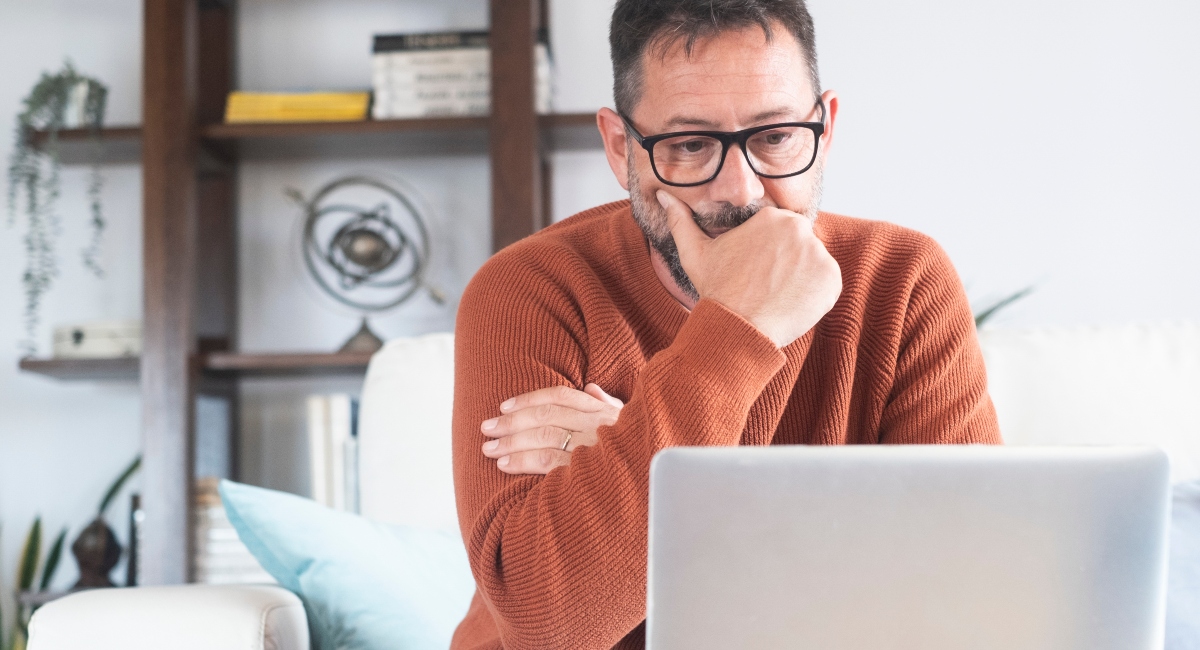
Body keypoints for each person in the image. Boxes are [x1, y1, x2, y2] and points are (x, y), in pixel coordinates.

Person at [450, 0, 1002, 647]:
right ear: (621, 145)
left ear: (824, 127)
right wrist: (741, 323)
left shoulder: (904, 281)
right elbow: (548, 624)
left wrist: (664, 471)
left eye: (774, 138)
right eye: (689, 145)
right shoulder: (530, 291)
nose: (740, 191)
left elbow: (962, 592)